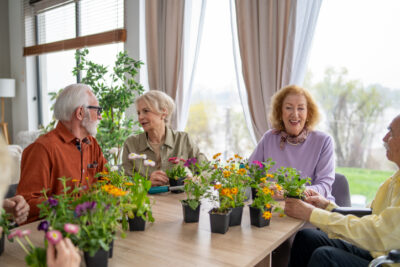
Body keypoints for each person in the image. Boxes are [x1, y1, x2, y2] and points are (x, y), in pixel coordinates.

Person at [285, 114, 400, 267]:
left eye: (391, 133)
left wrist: (311, 214)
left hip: (388, 260)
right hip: (379, 250)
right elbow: (370, 217)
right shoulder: (394, 180)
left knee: (325, 257)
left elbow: (378, 232)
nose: (384, 139)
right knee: (307, 238)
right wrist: (328, 207)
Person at [16, 84, 107, 223]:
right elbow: (27, 202)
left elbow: (108, 181)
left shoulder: (92, 144)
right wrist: (72, 207)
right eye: (97, 110)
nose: (100, 117)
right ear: (80, 113)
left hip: (89, 226)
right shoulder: (42, 149)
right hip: (50, 230)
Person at [249, 85, 335, 201]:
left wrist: (292, 192)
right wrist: (261, 187)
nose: (295, 114)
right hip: (275, 211)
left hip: (312, 210)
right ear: (280, 112)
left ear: (308, 113)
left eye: (301, 108)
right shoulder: (269, 138)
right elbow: (249, 174)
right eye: (289, 108)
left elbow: (324, 186)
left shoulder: (324, 141)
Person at [122, 90, 207, 186]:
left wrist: (194, 180)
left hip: (178, 200)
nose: (140, 117)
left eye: (146, 111)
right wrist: (147, 183)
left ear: (163, 113)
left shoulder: (183, 140)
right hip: (145, 201)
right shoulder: (131, 144)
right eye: (138, 113)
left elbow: (208, 171)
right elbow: (125, 182)